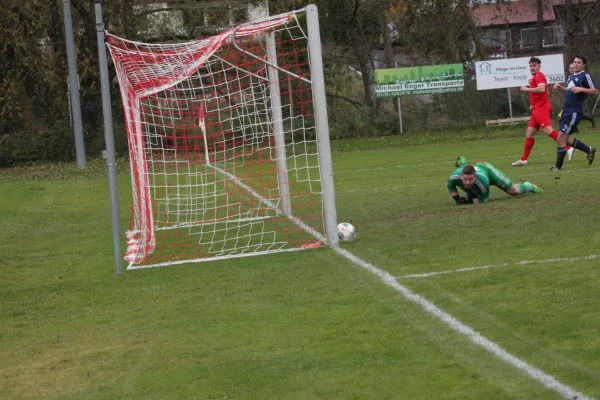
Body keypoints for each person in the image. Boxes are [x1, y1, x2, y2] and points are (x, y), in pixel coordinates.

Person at [512, 57, 574, 166]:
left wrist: (526, 89)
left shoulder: (539, 75)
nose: (532, 67)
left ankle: (569, 147)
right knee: (529, 133)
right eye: (531, 66)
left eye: (534, 65)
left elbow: (541, 89)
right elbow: (545, 92)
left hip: (542, 108)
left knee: (547, 130)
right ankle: (524, 159)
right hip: (537, 108)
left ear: (539, 66)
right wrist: (534, 104)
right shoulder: (535, 77)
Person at [550, 54, 598, 171]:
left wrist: (581, 89)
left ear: (583, 65)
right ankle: (588, 150)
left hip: (574, 112)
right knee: (566, 139)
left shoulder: (585, 76)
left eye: (579, 62)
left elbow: (595, 91)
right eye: (575, 62)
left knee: (561, 137)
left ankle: (558, 166)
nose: (576, 64)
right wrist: (560, 88)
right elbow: (568, 91)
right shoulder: (571, 76)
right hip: (566, 110)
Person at [449, 156, 543, 205]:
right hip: (473, 170)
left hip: (488, 170)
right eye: (465, 179)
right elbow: (450, 186)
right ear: (461, 176)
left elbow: (484, 199)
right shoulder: (454, 177)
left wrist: (466, 202)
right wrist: (457, 199)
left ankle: (530, 186)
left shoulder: (483, 181)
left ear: (475, 177)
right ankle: (462, 162)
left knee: (514, 191)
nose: (467, 182)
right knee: (471, 195)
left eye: (470, 179)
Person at [557, 63, 596, 130]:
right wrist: (560, 87)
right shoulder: (570, 77)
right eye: (570, 68)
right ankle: (575, 128)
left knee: (572, 115)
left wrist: (581, 90)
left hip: (577, 101)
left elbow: (593, 90)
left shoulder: (582, 76)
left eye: (573, 68)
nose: (572, 69)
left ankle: (575, 128)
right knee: (566, 115)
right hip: (569, 103)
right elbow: (568, 89)